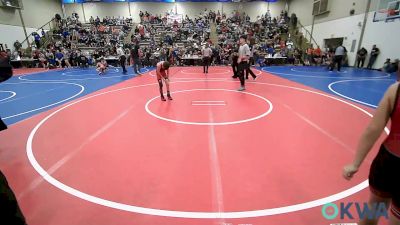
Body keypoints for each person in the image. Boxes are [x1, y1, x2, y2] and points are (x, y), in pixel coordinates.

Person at [343, 62, 400, 225]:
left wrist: (355, 164)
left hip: (388, 161)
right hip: (388, 162)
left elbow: (373, 129)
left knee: (374, 209)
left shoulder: (395, 90)